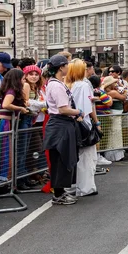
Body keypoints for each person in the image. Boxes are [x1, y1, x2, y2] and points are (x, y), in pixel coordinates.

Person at [42, 55, 83, 206]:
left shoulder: (56, 83)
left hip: (61, 124)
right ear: (61, 67)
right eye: (66, 65)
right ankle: (58, 194)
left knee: (63, 158)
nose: (68, 67)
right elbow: (63, 109)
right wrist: (78, 112)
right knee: (61, 159)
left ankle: (60, 191)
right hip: (60, 125)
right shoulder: (56, 85)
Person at [67, 59, 100, 198]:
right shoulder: (83, 85)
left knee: (80, 156)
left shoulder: (70, 84)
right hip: (83, 121)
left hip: (73, 122)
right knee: (87, 157)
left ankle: (80, 186)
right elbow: (86, 107)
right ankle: (86, 187)